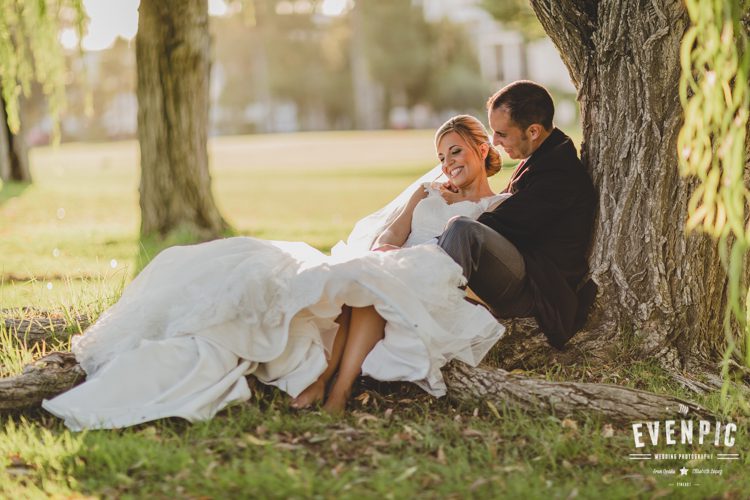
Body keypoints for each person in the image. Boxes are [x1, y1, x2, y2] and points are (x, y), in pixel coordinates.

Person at [42, 115, 509, 429]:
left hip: (434, 271)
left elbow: (477, 255)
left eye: (456, 153)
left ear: (481, 147)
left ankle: (337, 388)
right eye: (443, 155)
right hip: (395, 259)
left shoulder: (493, 206)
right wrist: (415, 209)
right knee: (365, 274)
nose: (449, 164)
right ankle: (324, 378)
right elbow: (389, 237)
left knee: (377, 284)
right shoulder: (428, 192)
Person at [438, 81, 597, 349]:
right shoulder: (542, 156)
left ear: (533, 131)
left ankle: (436, 319)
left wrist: (466, 212)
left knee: (462, 230)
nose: (494, 142)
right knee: (458, 232)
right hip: (521, 269)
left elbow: (501, 223)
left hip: (538, 289)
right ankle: (432, 305)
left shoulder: (558, 172)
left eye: (501, 134)